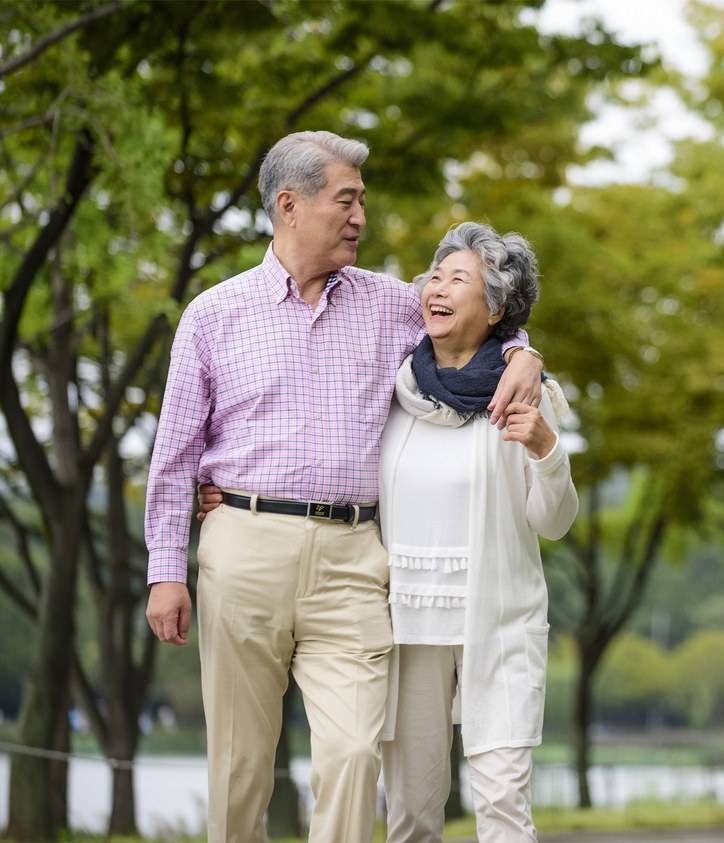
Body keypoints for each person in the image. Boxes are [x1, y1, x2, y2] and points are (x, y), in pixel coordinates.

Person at [143, 131, 544, 843]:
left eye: (363, 200)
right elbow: (175, 455)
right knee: (239, 767)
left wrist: (524, 353)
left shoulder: (394, 303)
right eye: (347, 200)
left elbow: (482, 312)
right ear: (290, 205)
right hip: (243, 545)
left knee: (355, 752)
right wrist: (165, 571)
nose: (361, 215)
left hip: (356, 558)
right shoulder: (212, 314)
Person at [379, 222, 578, 843]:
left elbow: (555, 519)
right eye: (433, 277)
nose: (436, 288)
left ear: (495, 310)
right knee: (411, 812)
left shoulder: (523, 397)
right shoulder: (393, 389)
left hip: (498, 621)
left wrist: (546, 449)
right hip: (408, 625)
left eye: (457, 279)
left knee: (502, 809)